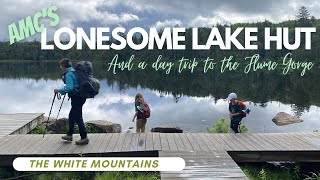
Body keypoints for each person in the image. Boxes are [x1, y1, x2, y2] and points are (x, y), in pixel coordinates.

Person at [54, 58, 89, 145]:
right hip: (81, 96)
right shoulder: (74, 71)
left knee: (77, 117)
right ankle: (69, 135)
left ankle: (84, 137)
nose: (60, 67)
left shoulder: (69, 74)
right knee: (72, 115)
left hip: (77, 97)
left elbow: (70, 87)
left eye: (61, 65)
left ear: (64, 66)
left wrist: (58, 90)